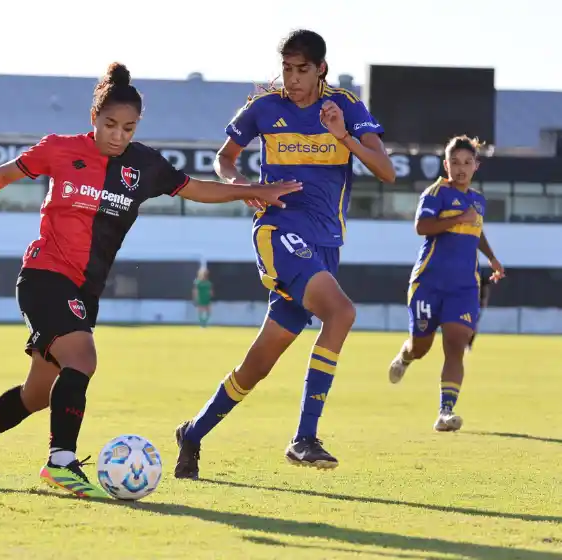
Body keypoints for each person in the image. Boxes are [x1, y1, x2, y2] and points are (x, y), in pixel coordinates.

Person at [0, 62, 302, 499]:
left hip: (84, 291)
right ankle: (61, 462)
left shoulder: (143, 165)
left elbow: (198, 189)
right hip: (44, 275)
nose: (118, 135)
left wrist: (251, 190)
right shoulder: (59, 149)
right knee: (82, 359)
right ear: (93, 117)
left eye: (128, 127)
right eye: (110, 124)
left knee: (38, 394)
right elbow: (3, 174)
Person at [174, 29, 396, 479]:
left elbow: (386, 171)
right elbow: (225, 158)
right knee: (342, 313)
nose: (292, 80)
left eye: (302, 70)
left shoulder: (345, 108)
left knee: (258, 363)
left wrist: (343, 137)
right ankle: (304, 437)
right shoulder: (264, 108)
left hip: (324, 244)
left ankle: (192, 434)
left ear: (321, 70)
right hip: (278, 230)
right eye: (287, 70)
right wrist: (242, 186)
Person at [387, 135, 505, 432]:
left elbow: (476, 231)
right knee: (422, 347)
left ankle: (445, 412)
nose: (460, 168)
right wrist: (456, 218)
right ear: (446, 165)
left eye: (467, 162)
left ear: (476, 165)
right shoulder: (435, 193)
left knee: (456, 344)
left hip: (464, 287)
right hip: (429, 283)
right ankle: (406, 354)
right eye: (455, 162)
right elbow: (422, 227)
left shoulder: (478, 200)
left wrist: (492, 258)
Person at [467, 270, 493, 350]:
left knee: (473, 325)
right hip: (469, 304)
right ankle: (466, 343)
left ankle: (469, 344)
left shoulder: (482, 282)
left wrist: (483, 302)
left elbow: (485, 292)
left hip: (477, 306)